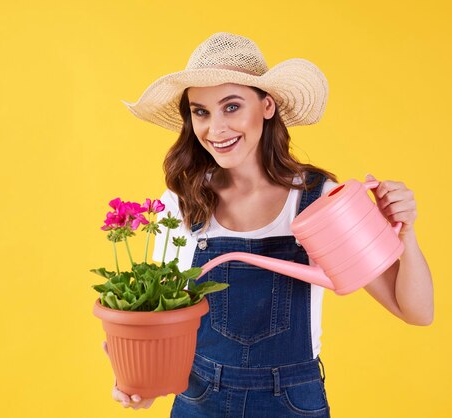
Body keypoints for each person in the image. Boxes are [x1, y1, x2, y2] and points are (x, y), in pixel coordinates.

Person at [102, 32, 434, 417]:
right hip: (198, 400)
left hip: (289, 402)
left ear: (267, 106)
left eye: (231, 107)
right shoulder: (181, 200)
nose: (215, 129)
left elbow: (416, 311)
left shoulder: (315, 199)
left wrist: (405, 235)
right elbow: (160, 321)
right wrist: (139, 382)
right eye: (200, 112)